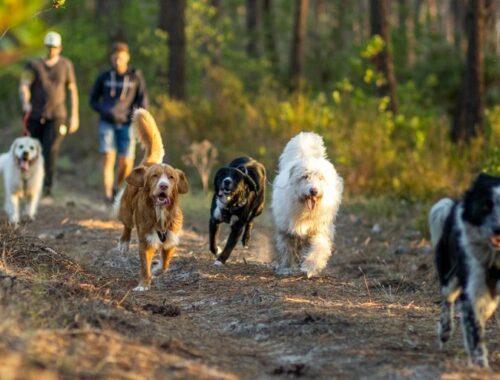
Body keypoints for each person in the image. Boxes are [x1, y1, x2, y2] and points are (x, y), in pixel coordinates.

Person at [19, 31, 79, 198]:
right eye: (48, 47)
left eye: (54, 47)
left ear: (60, 48)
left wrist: (74, 115)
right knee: (30, 151)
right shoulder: (32, 64)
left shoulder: (66, 65)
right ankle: (29, 184)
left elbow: (72, 90)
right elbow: (24, 85)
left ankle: (46, 188)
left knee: (51, 150)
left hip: (57, 115)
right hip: (35, 114)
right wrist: (25, 101)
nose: (51, 51)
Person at [90, 42, 149, 204]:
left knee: (126, 162)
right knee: (108, 157)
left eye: (121, 58)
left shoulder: (135, 77)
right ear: (111, 58)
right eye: (115, 58)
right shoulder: (104, 77)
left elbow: (143, 101)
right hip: (107, 122)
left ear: (127, 58)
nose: (118, 61)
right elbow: (93, 99)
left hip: (127, 124)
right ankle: (108, 196)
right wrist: (103, 110)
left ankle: (117, 187)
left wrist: (137, 118)